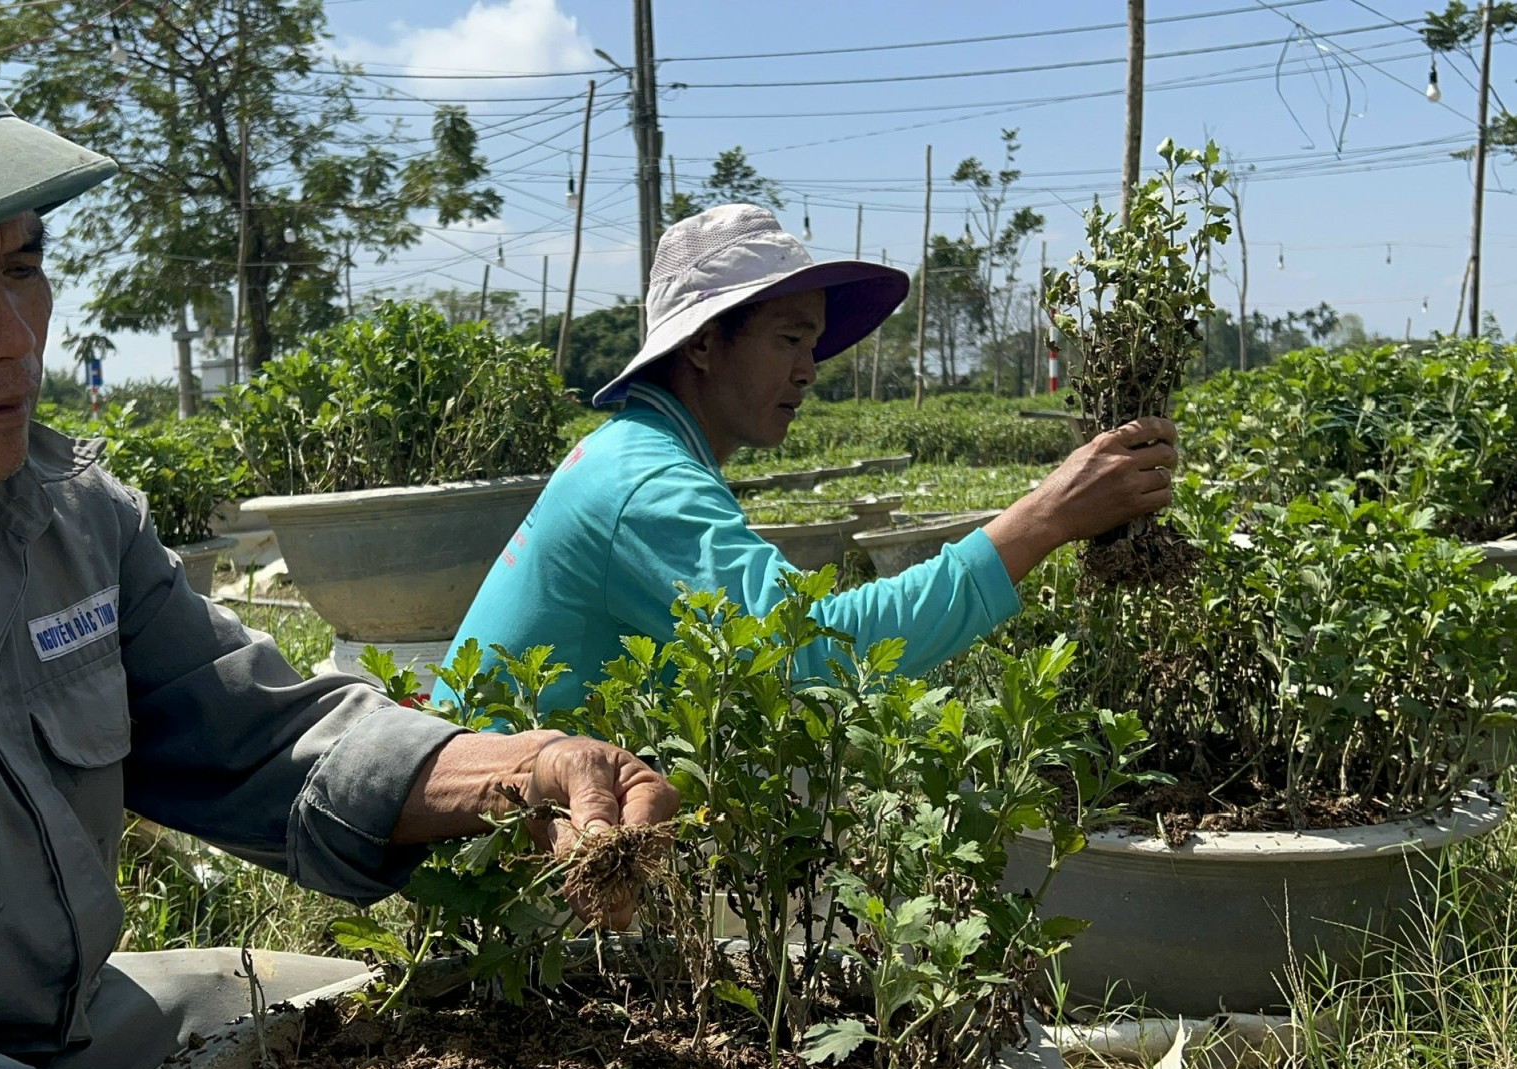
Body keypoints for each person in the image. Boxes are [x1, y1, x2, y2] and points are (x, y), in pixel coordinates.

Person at [0, 26, 677, 1069]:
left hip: (73, 1037)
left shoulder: (65, 515)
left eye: (20, 267)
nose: (12, 339)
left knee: (403, 1018)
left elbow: (255, 737)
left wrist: (524, 769)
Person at [441, 204, 1177, 714]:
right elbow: (811, 651)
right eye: (789, 340)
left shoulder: (635, 450)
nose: (808, 371)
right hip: (497, 838)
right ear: (703, 344)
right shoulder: (645, 482)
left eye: (813, 345)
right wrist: (1043, 519)